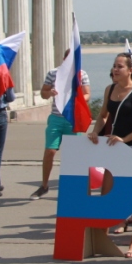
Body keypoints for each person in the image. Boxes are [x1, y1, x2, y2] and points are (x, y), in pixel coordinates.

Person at [87, 53, 132, 258]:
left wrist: (125, 138)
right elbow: (102, 116)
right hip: (112, 147)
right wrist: (95, 132)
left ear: (130, 70)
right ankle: (102, 237)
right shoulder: (109, 89)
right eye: (114, 66)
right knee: (107, 192)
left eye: (120, 67)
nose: (115, 70)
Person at [31, 48, 91, 200]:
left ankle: (74, 188)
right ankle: (44, 185)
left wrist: (79, 98)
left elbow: (87, 94)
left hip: (73, 118)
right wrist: (49, 92)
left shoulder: (81, 74)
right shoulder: (53, 73)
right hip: (56, 118)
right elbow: (43, 93)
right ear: (64, 59)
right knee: (50, 151)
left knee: (74, 155)